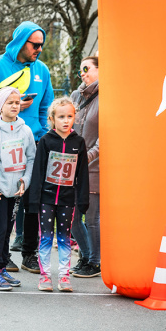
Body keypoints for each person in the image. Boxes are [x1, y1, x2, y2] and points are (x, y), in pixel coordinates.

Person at [0, 21, 55, 275]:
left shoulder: (42, 69)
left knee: (32, 200)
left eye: (42, 45)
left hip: (32, 142)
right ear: (21, 41)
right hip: (1, 144)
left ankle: (29, 254)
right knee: (3, 202)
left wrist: (41, 129)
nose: (39, 49)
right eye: (35, 44)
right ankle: (2, 255)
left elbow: (46, 105)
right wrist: (7, 104)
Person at [29, 98, 89, 292]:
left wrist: (82, 200)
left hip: (67, 200)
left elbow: (82, 173)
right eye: (61, 117)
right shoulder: (46, 141)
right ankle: (45, 276)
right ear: (52, 119)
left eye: (70, 116)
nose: (65, 121)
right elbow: (38, 171)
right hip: (46, 198)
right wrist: (34, 199)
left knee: (64, 237)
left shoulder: (78, 142)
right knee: (46, 237)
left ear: (75, 118)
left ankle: (64, 276)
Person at [0, 87, 35, 289]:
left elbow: (31, 158)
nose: (14, 106)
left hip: (17, 191)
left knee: (8, 230)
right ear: (0, 106)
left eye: (17, 102)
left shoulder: (26, 130)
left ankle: (3, 268)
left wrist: (26, 180)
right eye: (9, 102)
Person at [69, 56, 101, 278]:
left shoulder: (108, 97)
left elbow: (106, 136)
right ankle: (86, 256)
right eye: (80, 70)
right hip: (71, 166)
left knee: (91, 218)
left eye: (87, 68)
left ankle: (94, 262)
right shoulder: (75, 96)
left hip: (93, 167)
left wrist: (87, 157)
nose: (83, 73)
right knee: (70, 217)